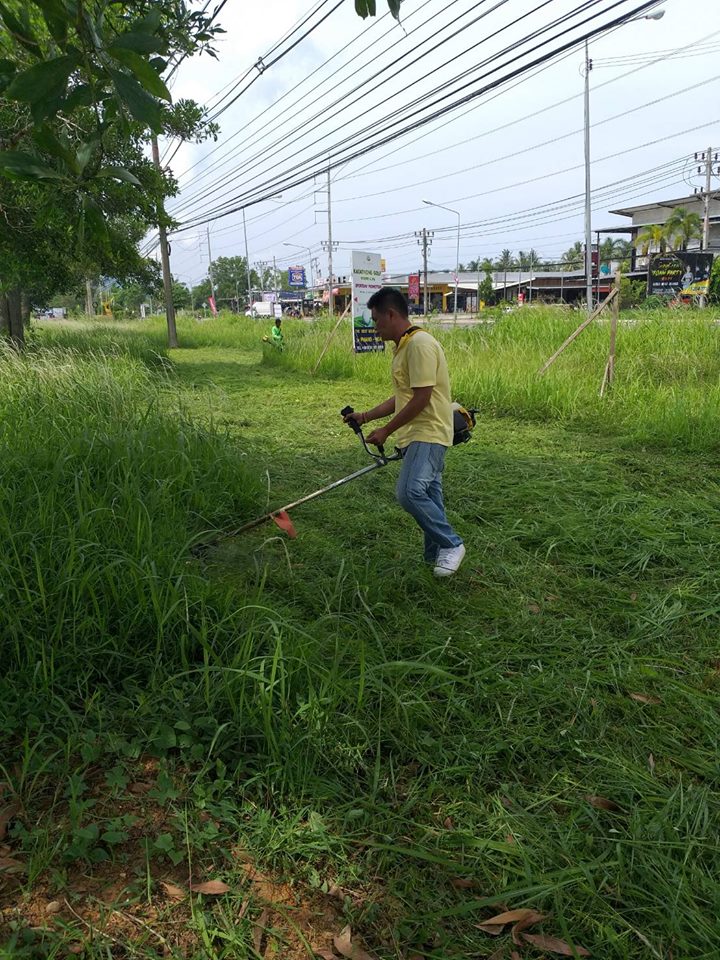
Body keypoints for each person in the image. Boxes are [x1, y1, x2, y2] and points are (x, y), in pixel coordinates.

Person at [344, 286, 465, 578]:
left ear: (391, 314)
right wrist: (365, 416)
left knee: (409, 494)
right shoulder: (403, 348)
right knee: (430, 498)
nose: (374, 327)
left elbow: (421, 398)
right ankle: (433, 557)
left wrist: (386, 430)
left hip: (429, 431)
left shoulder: (420, 344)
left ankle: (452, 545)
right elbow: (401, 398)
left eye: (376, 320)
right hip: (415, 433)